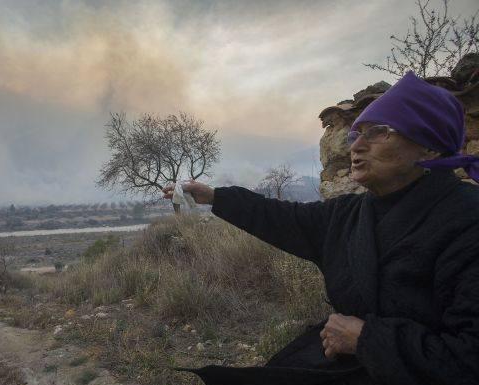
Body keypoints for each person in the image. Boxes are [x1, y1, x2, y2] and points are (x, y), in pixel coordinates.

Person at [163, 71, 479, 385]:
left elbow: (468, 358)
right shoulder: (348, 215)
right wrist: (213, 196)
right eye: (357, 134)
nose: (355, 146)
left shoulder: (468, 219)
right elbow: (280, 217)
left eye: (378, 132)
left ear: (429, 148)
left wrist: (367, 340)